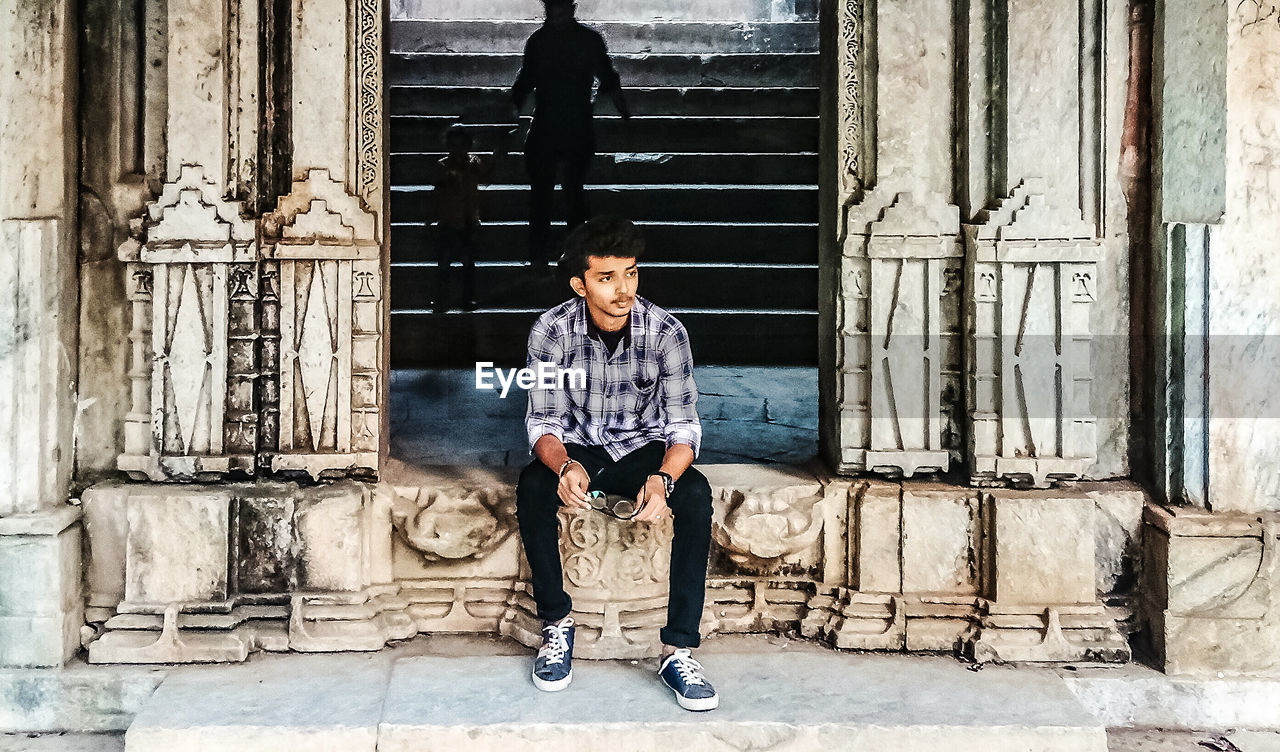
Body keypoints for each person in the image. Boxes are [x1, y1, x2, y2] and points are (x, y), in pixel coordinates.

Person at [516, 216, 719, 711]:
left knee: (696, 494)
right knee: (531, 487)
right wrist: (564, 466)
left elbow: (684, 428)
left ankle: (679, 649)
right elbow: (542, 422)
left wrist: (663, 479)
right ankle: (557, 623)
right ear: (579, 284)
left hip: (643, 450)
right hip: (581, 446)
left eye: (630, 273)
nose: (623, 289)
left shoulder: (667, 333)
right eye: (606, 278)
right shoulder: (551, 331)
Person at [511, 0, 631, 268]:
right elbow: (524, 82)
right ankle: (547, 254)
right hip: (559, 123)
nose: (555, 13)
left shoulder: (548, 40)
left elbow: (608, 77)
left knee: (568, 190)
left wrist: (625, 113)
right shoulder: (552, 41)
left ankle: (562, 253)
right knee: (550, 191)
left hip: (566, 123)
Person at [430, 124, 513, 312]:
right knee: (444, 261)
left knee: (468, 261)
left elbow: (486, 173)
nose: (458, 151)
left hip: (468, 219)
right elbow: (438, 189)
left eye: (462, 146)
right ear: (448, 146)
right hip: (448, 220)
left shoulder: (473, 163)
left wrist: (497, 154)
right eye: (454, 146)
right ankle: (442, 298)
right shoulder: (442, 166)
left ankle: (467, 298)